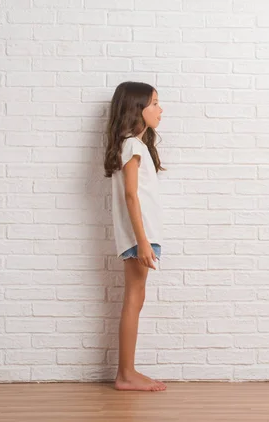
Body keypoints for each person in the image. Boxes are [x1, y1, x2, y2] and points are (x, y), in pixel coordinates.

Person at [104, 81, 166, 391]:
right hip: (138, 236)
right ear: (136, 108)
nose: (160, 109)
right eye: (154, 103)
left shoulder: (136, 146)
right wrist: (142, 241)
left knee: (136, 298)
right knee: (133, 298)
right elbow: (131, 196)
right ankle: (125, 374)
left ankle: (127, 371)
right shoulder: (131, 145)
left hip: (142, 234)